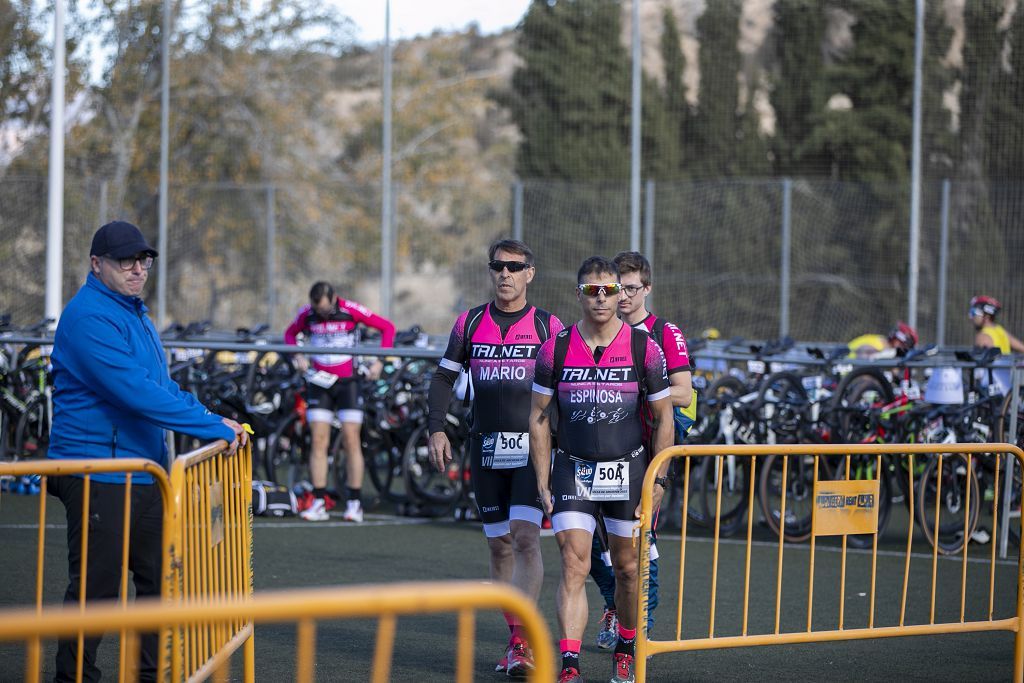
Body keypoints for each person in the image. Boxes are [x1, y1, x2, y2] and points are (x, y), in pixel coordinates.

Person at [47, 220, 247, 683]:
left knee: (160, 584)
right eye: (126, 261)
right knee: (95, 593)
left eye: (144, 260)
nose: (138, 269)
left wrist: (212, 417)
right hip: (98, 472)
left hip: (143, 473)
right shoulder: (89, 317)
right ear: (97, 265)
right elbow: (136, 392)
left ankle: (150, 676)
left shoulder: (134, 311)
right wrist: (210, 424)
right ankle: (74, 678)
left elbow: (161, 385)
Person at [530, 256, 674, 683]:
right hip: (572, 470)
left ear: (621, 294)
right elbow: (538, 416)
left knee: (628, 568)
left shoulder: (643, 348)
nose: (601, 298)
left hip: (628, 471)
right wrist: (542, 475)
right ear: (579, 294)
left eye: (609, 290)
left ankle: (626, 648)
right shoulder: (554, 348)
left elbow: (664, 416)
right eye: (592, 291)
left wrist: (659, 478)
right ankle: (570, 664)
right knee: (573, 563)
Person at [427, 239, 562, 678]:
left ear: (530, 273)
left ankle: (523, 643)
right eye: (497, 266)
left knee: (525, 538)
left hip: (531, 450)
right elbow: (444, 376)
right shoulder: (470, 323)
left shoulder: (547, 326)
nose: (504, 274)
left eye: (514, 267)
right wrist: (436, 426)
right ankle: (515, 635)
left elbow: (570, 385)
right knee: (499, 544)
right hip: (485, 447)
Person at [584, 251, 694, 649]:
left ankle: (639, 628)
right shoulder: (595, 330)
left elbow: (684, 391)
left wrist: (643, 387)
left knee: (639, 540)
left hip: (645, 454)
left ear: (647, 288)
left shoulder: (663, 332)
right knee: (587, 541)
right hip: (595, 450)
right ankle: (616, 605)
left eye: (631, 289)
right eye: (618, 289)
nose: (624, 297)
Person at [284, 281, 395, 522]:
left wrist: (379, 361)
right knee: (318, 440)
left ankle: (354, 503)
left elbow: (387, 328)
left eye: (325, 310)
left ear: (334, 299)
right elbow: (289, 334)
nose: (322, 315)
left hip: (348, 383)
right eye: (318, 311)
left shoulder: (351, 309)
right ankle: (319, 501)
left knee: (351, 439)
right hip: (320, 382)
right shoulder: (307, 314)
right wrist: (297, 356)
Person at [847, 321, 918, 359]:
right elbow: (863, 360)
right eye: (902, 344)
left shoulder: (883, 345)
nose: (903, 348)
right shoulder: (876, 344)